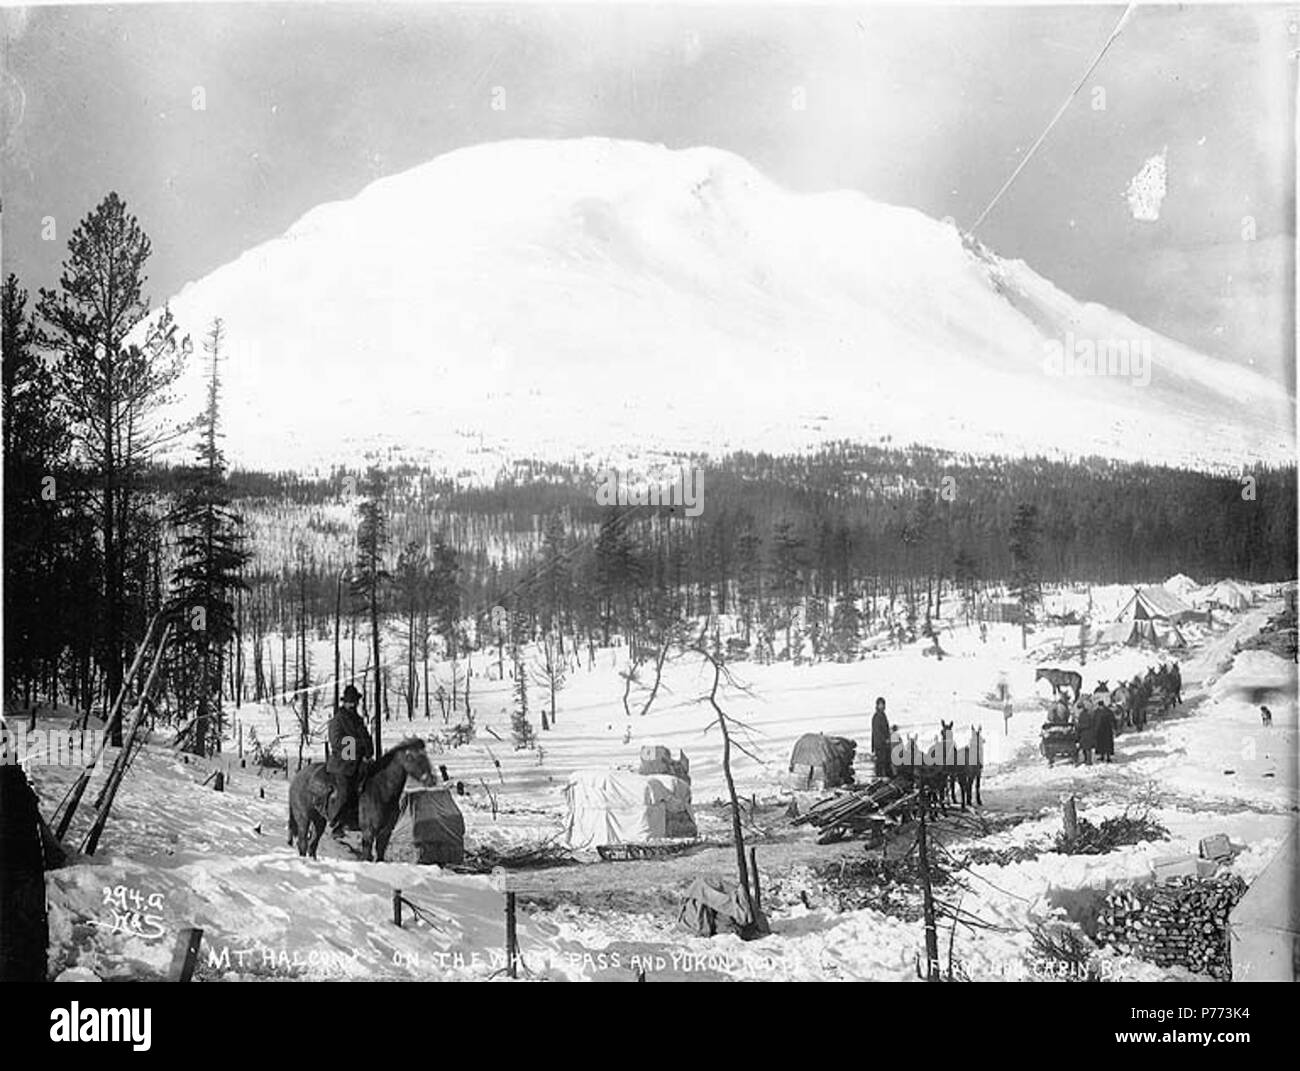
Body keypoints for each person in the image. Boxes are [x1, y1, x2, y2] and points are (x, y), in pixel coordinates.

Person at [326, 684, 373, 836]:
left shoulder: (358, 720)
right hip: (343, 763)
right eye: (350, 702)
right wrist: (358, 746)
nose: (353, 704)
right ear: (344, 702)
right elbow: (337, 741)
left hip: (360, 762)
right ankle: (336, 822)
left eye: (355, 701)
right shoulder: (337, 721)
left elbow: (366, 737)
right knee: (345, 791)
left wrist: (368, 751)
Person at [871, 697, 892, 778]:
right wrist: (885, 740)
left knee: (885, 762)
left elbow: (884, 730)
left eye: (883, 704)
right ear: (877, 705)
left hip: (883, 744)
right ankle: (880, 778)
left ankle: (885, 777)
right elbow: (877, 732)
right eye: (880, 705)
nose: (882, 706)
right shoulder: (877, 717)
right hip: (880, 744)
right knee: (881, 763)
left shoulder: (882, 715)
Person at [1075, 702, 1097, 766]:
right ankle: (1086, 759)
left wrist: (1079, 726)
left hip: (1086, 733)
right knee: (1085, 748)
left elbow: (1087, 724)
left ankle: (1089, 761)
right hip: (1085, 733)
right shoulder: (1085, 714)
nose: (1078, 710)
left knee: (1087, 748)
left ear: (1081, 708)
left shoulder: (1084, 715)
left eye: (1079, 708)